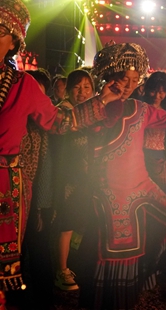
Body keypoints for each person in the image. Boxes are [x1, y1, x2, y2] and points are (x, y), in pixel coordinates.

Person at [0, 1, 118, 306]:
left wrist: (102, 100)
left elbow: (61, 122)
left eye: (0, 30)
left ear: (14, 41)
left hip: (6, 188)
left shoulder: (22, 86)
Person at [75, 43, 166, 309]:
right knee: (113, 257)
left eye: (135, 80)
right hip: (107, 192)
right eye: (125, 78)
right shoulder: (93, 107)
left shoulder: (140, 109)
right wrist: (103, 101)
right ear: (110, 77)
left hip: (142, 185)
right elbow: (71, 128)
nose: (130, 85)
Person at [52, 69, 96, 291]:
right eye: (77, 87)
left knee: (82, 220)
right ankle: (61, 270)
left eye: (87, 87)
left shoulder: (94, 111)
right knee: (66, 224)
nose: (82, 92)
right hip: (68, 176)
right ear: (68, 90)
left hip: (88, 177)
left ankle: (73, 263)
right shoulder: (64, 111)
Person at [142, 71, 166, 197]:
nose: (157, 95)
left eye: (161, 92)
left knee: (163, 199)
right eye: (153, 90)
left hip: (161, 158)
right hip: (141, 156)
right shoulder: (140, 108)